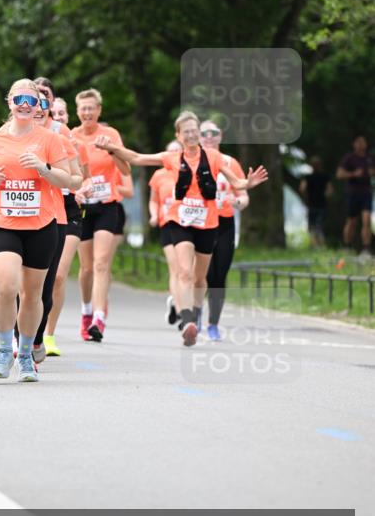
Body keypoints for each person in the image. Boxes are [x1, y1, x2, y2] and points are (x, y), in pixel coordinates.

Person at [96, 110, 267, 346]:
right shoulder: (172, 158)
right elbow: (136, 158)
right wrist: (112, 148)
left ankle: (195, 312)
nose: (191, 135)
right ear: (178, 136)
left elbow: (236, 182)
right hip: (180, 221)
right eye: (185, 132)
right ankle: (188, 321)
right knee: (185, 271)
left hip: (208, 223)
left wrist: (247, 183)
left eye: (193, 131)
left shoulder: (214, 157)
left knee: (199, 277)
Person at [0, 78, 71, 382]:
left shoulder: (50, 140)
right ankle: (5, 350)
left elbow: (67, 180)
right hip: (4, 224)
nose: (25, 104)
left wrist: (44, 169)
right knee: (6, 286)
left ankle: (26, 354)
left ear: (40, 105)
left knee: (32, 295)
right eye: (19, 99)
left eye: (32, 99)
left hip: (42, 225)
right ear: (10, 102)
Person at [31, 77, 84, 361]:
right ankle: (24, 335)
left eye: (44, 97)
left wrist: (78, 186)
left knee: (57, 276)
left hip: (63, 204)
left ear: (51, 101)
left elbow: (78, 171)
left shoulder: (61, 132)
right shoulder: (15, 129)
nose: (39, 102)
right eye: (34, 96)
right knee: (27, 281)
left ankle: (46, 334)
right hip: (30, 207)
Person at [71, 88, 131, 342]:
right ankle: (86, 311)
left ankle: (99, 317)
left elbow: (125, 168)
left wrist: (112, 151)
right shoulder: (71, 136)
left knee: (101, 263)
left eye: (91, 108)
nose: (87, 112)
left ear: (99, 110)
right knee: (85, 268)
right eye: (83, 108)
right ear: (77, 111)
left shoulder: (111, 134)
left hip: (107, 204)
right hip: (83, 205)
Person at [200, 120, 249, 341]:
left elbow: (244, 195)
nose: (209, 137)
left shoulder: (230, 162)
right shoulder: (192, 160)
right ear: (198, 137)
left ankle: (213, 324)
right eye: (204, 133)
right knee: (202, 275)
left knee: (219, 275)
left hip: (225, 224)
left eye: (214, 133)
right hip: (200, 223)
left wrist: (236, 201)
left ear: (220, 136)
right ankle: (195, 312)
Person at [148, 141, 182, 325]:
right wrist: (154, 215)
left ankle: (179, 302)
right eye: (171, 151)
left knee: (188, 270)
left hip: (188, 225)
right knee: (176, 268)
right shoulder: (159, 175)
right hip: (167, 223)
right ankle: (179, 308)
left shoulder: (189, 173)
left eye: (178, 151)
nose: (175, 154)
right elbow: (153, 201)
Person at [336, 135, 373, 258]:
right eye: (358, 142)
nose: (361, 144)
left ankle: (366, 249)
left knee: (366, 220)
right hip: (352, 193)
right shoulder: (349, 158)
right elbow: (339, 174)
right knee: (351, 222)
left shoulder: (369, 158)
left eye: (363, 142)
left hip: (366, 193)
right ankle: (347, 247)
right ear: (354, 144)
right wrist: (353, 174)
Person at [299, 155, 332, 248]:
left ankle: (315, 245)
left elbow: (302, 188)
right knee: (319, 226)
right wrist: (325, 196)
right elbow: (330, 190)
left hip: (312, 204)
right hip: (321, 204)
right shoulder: (325, 177)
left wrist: (306, 196)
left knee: (313, 227)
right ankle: (320, 245)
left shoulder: (308, 177)